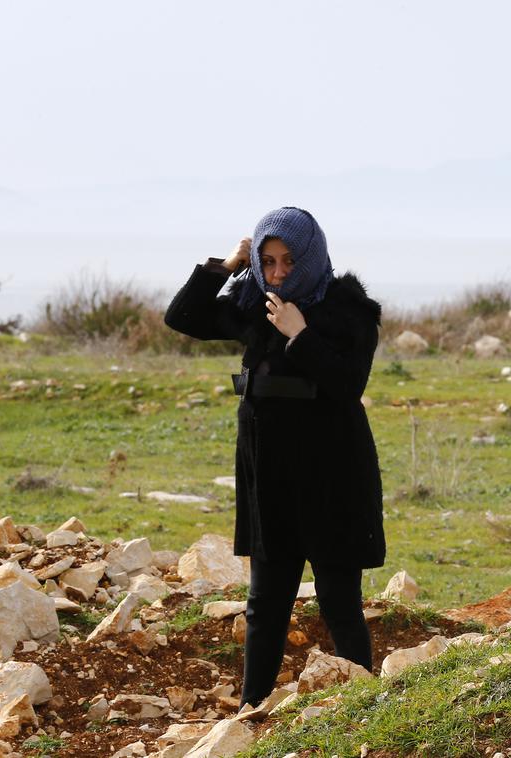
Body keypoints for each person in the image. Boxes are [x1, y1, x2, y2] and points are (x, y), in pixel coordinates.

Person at [164, 207, 385, 707]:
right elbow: (182, 317)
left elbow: (349, 385)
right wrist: (225, 265)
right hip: (270, 477)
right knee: (265, 604)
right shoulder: (254, 304)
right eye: (268, 261)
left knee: (339, 603)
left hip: (332, 477)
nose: (280, 272)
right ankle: (250, 712)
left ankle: (365, 712)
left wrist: (300, 335)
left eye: (289, 261)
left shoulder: (351, 312)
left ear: (311, 257)